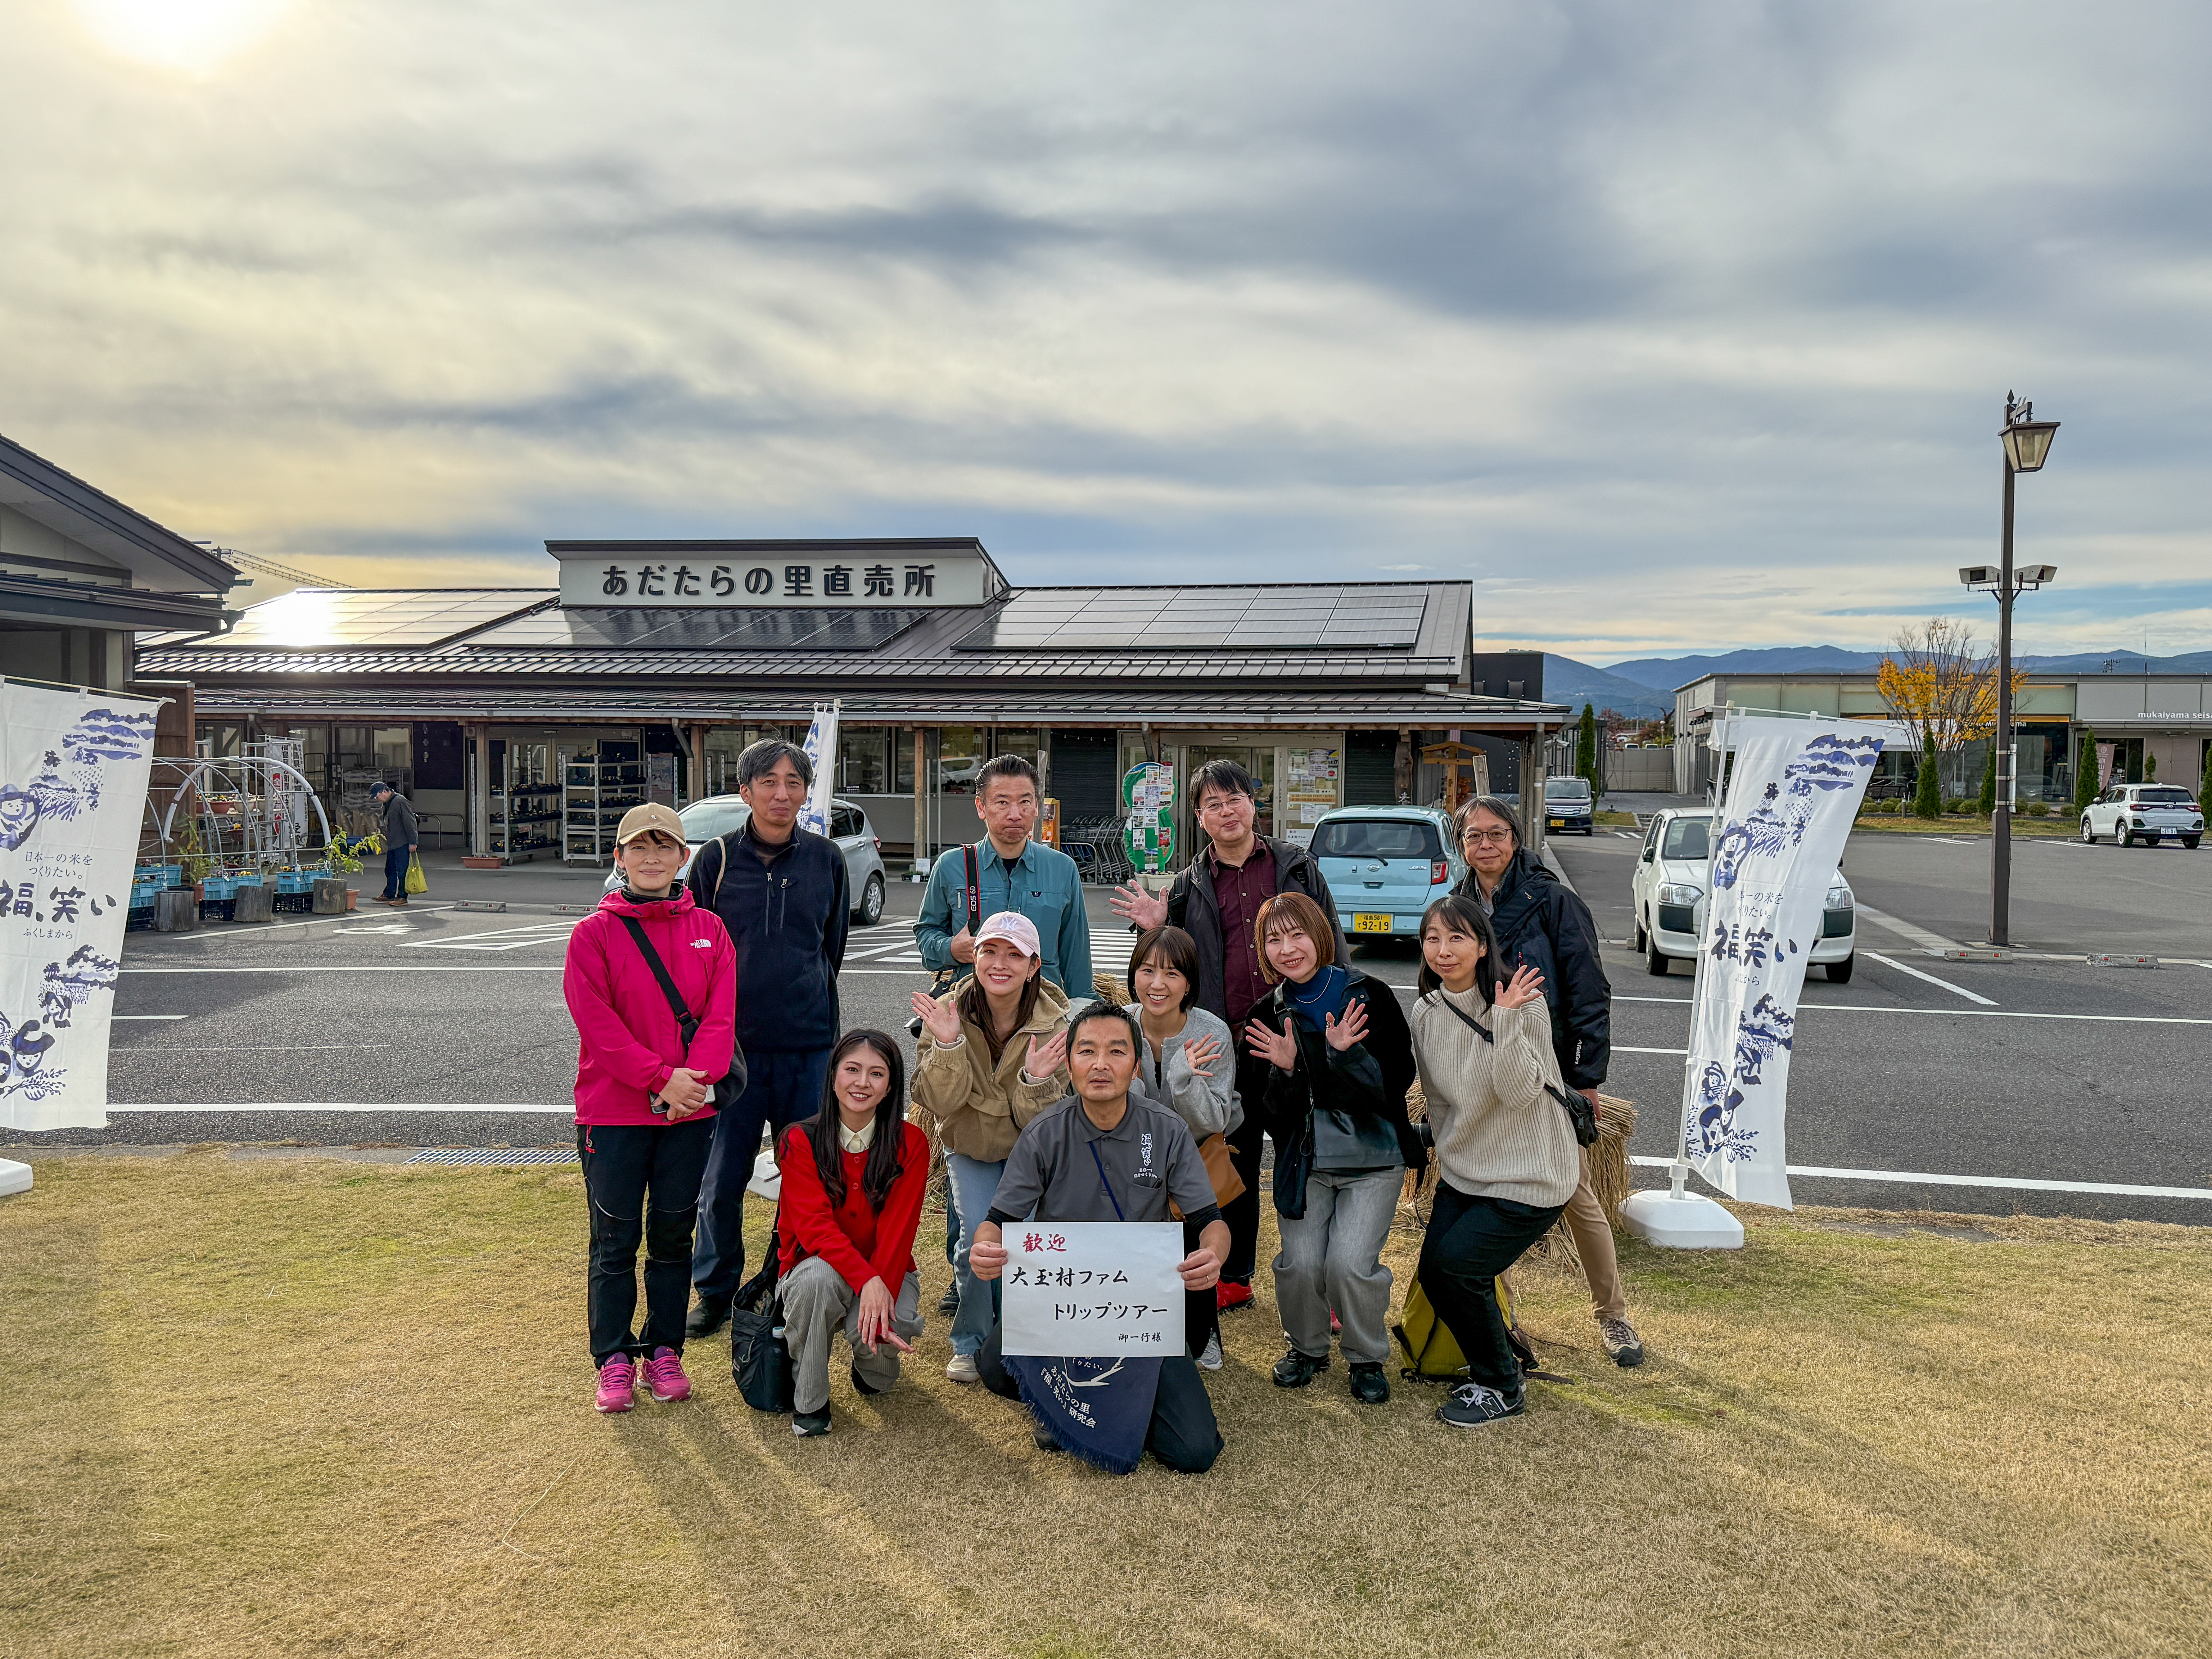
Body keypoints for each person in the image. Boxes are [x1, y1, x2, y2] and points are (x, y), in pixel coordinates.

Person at [1110, 757, 1348, 1313]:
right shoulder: (1189, 883)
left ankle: (1327, 1283)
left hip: (1291, 1035)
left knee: (1307, 1154)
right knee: (1232, 1160)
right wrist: (1155, 924)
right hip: (1224, 1044)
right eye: (1212, 804)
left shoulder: (1295, 866)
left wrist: (1337, 1015)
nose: (1226, 811)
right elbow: (1167, 963)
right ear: (1199, 816)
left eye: (1234, 799)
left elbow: (1329, 938)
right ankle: (1235, 1275)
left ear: (1253, 803)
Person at [970, 1003, 1228, 1474]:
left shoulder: (1166, 1130)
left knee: (1195, 1452)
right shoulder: (1045, 1133)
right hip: (1064, 1303)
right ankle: (1096, 1401)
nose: (1101, 1064)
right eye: (1087, 1051)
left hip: (1141, 1310)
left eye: (1116, 1051)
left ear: (1136, 1066)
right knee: (993, 1366)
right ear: (1069, 1064)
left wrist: (1211, 1255)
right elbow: (998, 1219)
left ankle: (1114, 1404)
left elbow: (1212, 1221)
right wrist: (985, 1248)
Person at [562, 803, 738, 1415]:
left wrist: (694, 1081)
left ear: (683, 858)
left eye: (665, 847)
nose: (652, 858)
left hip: (689, 1111)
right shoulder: (593, 934)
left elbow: (720, 1018)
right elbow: (598, 1026)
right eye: (640, 848)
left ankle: (664, 1350)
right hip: (613, 1113)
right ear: (620, 858)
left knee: (672, 1236)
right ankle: (612, 1358)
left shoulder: (711, 931)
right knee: (613, 1241)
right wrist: (662, 1078)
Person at [1454, 794, 1642, 1365]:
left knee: (1575, 1193)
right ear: (1460, 846)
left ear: (1516, 837)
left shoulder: (1556, 900)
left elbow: (1588, 992)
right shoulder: (1455, 906)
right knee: (1484, 1193)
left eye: (1496, 833)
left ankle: (1613, 1316)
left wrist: (1585, 1079)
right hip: (1481, 1072)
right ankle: (1501, 1318)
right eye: (1473, 836)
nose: (1485, 845)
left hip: (1550, 1072)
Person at [683, 738, 851, 1340]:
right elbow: (695, 951)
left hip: (808, 1047)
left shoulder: (827, 860)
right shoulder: (716, 860)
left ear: (807, 792)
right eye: (769, 782)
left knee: (805, 1178)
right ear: (745, 789)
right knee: (721, 1178)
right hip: (731, 1052)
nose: (783, 793)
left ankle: (784, 1280)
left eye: (794, 782)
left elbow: (830, 950)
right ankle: (716, 1290)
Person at [1243, 891, 1423, 1406]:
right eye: (1274, 939)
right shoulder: (1267, 1013)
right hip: (1306, 1161)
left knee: (1348, 1264)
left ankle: (1366, 1357)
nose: (1288, 948)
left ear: (1320, 935)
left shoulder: (1370, 996)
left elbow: (1395, 1086)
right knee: (1299, 1264)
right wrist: (1287, 1069)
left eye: (1297, 934)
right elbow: (1271, 1115)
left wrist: (1344, 1057)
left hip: (1373, 1159)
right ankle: (1308, 1348)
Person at [1408, 894, 1579, 1426]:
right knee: (1437, 1274)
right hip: (1466, 1170)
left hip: (1531, 1174)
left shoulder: (1523, 1003)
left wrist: (1504, 1022)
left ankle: (1501, 1386)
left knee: (1460, 1269)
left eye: (1457, 938)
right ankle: (1499, 1353)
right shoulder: (1426, 1011)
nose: (1444, 950)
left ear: (1483, 946)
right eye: (1433, 938)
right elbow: (1440, 1099)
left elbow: (1520, 1092)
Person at [908, 910, 1071, 1384]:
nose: (1001, 964)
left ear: (1034, 965)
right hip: (969, 1146)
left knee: (1030, 1242)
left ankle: (1023, 1338)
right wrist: (948, 1046)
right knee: (976, 1241)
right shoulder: (947, 1011)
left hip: (1029, 1152)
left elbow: (1043, 1124)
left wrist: (1037, 1081)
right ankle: (971, 1340)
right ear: (974, 957)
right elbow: (937, 1101)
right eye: (990, 951)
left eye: (1014, 954)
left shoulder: (1056, 1022)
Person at [775, 1029, 932, 1438]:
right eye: (852, 1070)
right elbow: (815, 1230)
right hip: (819, 1266)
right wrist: (868, 1282)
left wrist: (878, 1290)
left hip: (886, 1266)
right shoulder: (799, 1140)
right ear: (833, 1076)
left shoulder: (910, 1143)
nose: (863, 1083)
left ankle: (870, 1370)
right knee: (815, 1282)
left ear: (890, 1086)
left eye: (877, 1074)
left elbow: (899, 1233)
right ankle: (810, 1401)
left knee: (883, 1343)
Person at [1121, 923, 1241, 1372]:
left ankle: (1205, 1329)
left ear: (1189, 981)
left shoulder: (1209, 1032)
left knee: (1197, 1244)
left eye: (1172, 974)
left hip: (1193, 1155)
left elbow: (1215, 1118)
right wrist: (1132, 1097)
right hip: (1130, 1156)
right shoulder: (1120, 1025)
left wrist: (1180, 1082)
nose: (1158, 984)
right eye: (1148, 971)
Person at [916, 754, 1092, 995]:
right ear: (982, 807)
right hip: (972, 1011)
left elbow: (1076, 952)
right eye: (1002, 802)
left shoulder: (1063, 869)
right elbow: (927, 932)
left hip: (1044, 1014)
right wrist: (950, 949)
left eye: (1025, 802)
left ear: (1037, 806)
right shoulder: (951, 865)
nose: (1015, 814)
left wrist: (1082, 1010)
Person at [368, 781, 418, 908]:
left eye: (377, 796)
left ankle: (402, 896)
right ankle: (389, 893)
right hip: (392, 843)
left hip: (402, 842)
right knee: (390, 869)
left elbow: (410, 822)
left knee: (402, 871)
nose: (377, 799)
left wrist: (413, 842)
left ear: (385, 791)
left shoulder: (400, 801)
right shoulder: (387, 803)